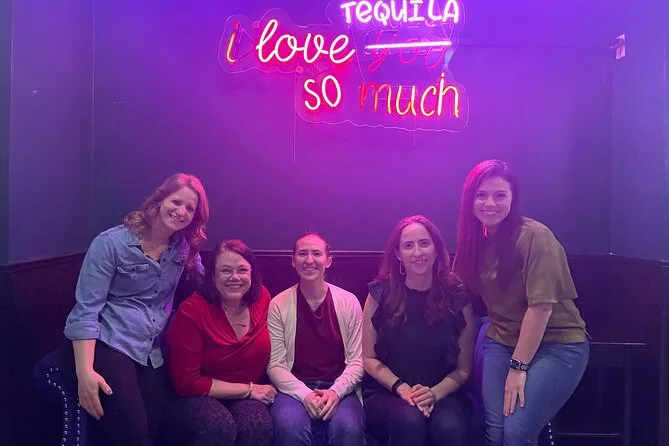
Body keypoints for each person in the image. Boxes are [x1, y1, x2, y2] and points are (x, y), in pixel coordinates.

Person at [63, 173, 210, 446]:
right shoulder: (110, 243)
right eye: (176, 202)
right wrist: (84, 372)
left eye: (190, 208)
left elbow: (207, 285)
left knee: (153, 430)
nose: (182, 212)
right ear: (160, 199)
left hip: (151, 351)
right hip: (112, 343)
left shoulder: (184, 248)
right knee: (134, 436)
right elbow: (86, 310)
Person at [454, 159, 589, 446]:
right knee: (494, 430)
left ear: (512, 198)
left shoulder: (535, 236)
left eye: (500, 195)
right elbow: (457, 292)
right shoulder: (475, 241)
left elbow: (541, 309)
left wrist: (518, 368)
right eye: (481, 195)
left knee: (517, 433)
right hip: (501, 339)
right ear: (469, 199)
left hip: (557, 344)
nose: (490, 203)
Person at [362, 215, 476, 446]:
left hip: (444, 391)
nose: (417, 252)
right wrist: (402, 389)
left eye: (424, 243)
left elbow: (463, 369)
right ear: (398, 254)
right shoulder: (379, 294)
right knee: (409, 421)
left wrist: (434, 394)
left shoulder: (458, 297)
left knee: (449, 427)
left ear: (436, 249)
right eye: (408, 246)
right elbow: (369, 359)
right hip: (388, 391)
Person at [163, 239, 274, 446]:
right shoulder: (192, 311)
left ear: (252, 273)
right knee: (218, 424)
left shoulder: (263, 299)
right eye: (225, 271)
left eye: (242, 270)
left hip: (247, 396)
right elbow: (187, 383)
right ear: (212, 276)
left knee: (257, 423)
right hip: (196, 397)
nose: (235, 277)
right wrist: (248, 389)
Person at [267, 232, 366, 446]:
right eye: (302, 254)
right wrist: (305, 394)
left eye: (317, 254)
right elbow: (275, 365)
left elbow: (358, 361)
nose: (309, 260)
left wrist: (335, 392)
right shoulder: (278, 304)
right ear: (293, 261)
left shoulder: (349, 302)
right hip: (293, 389)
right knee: (290, 430)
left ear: (328, 260)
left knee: (347, 429)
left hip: (339, 386)